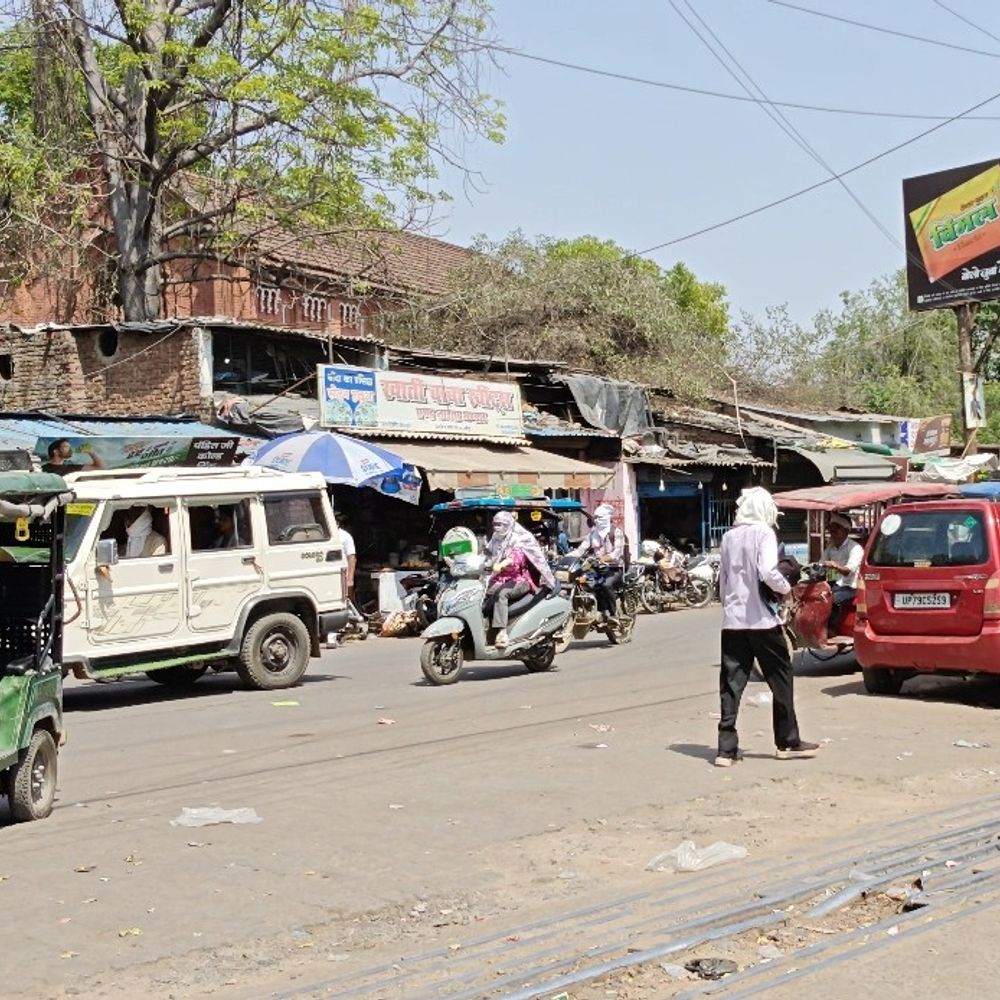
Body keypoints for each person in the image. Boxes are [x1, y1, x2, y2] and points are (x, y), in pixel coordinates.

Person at [716, 487, 818, 767]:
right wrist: (786, 590)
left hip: (733, 622)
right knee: (781, 678)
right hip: (762, 620)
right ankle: (787, 741)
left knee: (731, 685)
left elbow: (723, 582)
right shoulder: (764, 533)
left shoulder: (728, 537)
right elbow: (768, 572)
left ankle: (725, 750)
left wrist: (731, 608)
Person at [485, 511, 556, 648]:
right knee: (481, 593)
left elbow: (515, 558)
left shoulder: (517, 538)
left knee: (502, 594)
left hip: (519, 579)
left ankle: (502, 632)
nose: (497, 527)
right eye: (495, 524)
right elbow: (487, 553)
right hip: (498, 578)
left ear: (508, 524)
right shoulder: (496, 537)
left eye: (501, 524)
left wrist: (502, 564)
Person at [571, 503, 624, 621]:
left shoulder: (616, 532)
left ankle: (613, 614)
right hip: (596, 568)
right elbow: (581, 550)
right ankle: (596, 610)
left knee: (606, 584)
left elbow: (617, 553)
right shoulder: (592, 534)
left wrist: (604, 558)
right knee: (582, 581)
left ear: (607, 518)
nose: (597, 520)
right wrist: (565, 557)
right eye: (595, 517)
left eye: (599, 517)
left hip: (614, 569)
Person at [821, 512, 863, 616]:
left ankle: (832, 627)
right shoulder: (831, 547)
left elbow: (848, 572)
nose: (833, 531)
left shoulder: (855, 548)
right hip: (835, 585)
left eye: (837, 527)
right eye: (832, 527)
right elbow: (822, 565)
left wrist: (834, 565)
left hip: (850, 587)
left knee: (829, 600)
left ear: (846, 530)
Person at [336, 515, 357, 601]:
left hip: (343, 574)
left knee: (346, 599)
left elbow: (351, 557)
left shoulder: (345, 537)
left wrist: (350, 579)